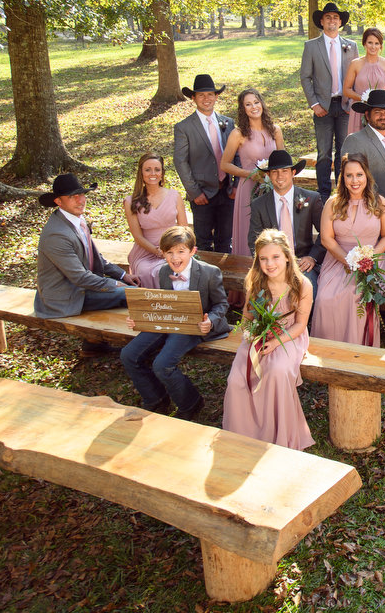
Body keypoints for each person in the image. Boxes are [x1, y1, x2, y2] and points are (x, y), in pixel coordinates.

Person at [120, 226, 230, 421]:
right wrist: (141, 319)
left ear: (192, 251)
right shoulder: (164, 271)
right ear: (163, 254)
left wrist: (210, 321)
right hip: (169, 321)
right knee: (129, 354)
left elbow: (222, 304)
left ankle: (191, 402)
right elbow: (163, 303)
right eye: (169, 252)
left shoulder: (210, 272)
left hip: (194, 326)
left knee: (162, 364)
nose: (175, 258)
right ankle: (155, 398)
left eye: (181, 251)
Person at [222, 229, 315, 450]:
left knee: (277, 372)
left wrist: (275, 341)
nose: (269, 264)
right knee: (237, 379)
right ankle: (244, 433)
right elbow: (247, 317)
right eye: (263, 259)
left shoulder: (302, 284)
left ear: (287, 256)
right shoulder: (256, 282)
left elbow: (300, 324)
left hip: (289, 336)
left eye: (275, 257)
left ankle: (278, 434)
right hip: (259, 334)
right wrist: (251, 333)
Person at [311, 154, 385, 348]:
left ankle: (358, 351)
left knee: (356, 295)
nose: (354, 180)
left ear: (367, 175)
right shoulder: (333, 203)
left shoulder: (379, 202)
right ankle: (329, 352)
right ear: (343, 177)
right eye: (349, 175)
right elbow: (326, 239)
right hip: (338, 260)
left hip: (371, 262)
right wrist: (349, 261)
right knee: (325, 298)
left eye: (359, 174)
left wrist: (370, 258)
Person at [35, 174, 137, 330]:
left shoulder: (77, 219)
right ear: (58, 201)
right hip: (65, 297)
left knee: (134, 287)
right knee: (133, 295)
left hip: (81, 286)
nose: (80, 200)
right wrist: (115, 284)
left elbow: (95, 257)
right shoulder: (56, 234)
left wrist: (123, 275)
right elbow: (80, 277)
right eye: (72, 197)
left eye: (81, 194)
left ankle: (94, 343)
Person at [300, 2, 359, 199]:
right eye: (328, 17)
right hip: (322, 107)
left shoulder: (351, 46)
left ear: (340, 22)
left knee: (344, 152)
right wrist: (314, 104)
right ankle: (324, 195)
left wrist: (352, 103)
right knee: (324, 153)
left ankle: (343, 193)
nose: (332, 20)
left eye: (335, 17)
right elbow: (305, 77)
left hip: (345, 106)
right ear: (322, 22)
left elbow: (356, 76)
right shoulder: (311, 46)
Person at [246, 150, 325, 296]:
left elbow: (326, 233)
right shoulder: (259, 204)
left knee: (310, 291)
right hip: (272, 265)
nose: (280, 176)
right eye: (274, 172)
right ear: (268, 175)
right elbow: (254, 240)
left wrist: (312, 257)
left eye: (284, 171)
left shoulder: (311, 199)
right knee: (264, 294)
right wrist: (268, 263)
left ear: (293, 173)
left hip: (303, 262)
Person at [172, 74, 236, 253]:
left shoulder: (228, 122)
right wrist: (194, 192)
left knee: (225, 240)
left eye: (210, 94)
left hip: (227, 191)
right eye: (201, 95)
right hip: (202, 194)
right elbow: (180, 161)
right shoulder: (184, 127)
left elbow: (236, 154)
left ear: (216, 96)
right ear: (193, 98)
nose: (206, 99)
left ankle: (223, 271)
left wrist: (236, 185)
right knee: (203, 241)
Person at [221, 88, 284, 257]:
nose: (254, 107)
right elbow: (225, 164)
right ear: (243, 109)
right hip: (248, 188)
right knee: (250, 231)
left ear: (262, 103)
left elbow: (283, 161)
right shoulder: (238, 134)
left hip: (273, 187)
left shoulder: (275, 130)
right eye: (248, 104)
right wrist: (250, 174)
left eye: (256, 102)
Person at [122, 153, 188, 288]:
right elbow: (138, 237)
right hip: (145, 252)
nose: (153, 173)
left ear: (162, 173)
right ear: (141, 173)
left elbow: (184, 230)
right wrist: (157, 251)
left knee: (170, 270)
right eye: (148, 170)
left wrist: (173, 251)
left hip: (173, 248)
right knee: (146, 271)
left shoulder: (175, 196)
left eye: (157, 169)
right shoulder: (130, 201)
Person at [341, 88, 385, 223]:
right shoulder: (355, 140)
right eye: (377, 112)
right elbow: (349, 179)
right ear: (367, 115)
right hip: (370, 213)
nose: (383, 116)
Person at [343, 27, 385, 134]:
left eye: (377, 43)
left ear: (381, 46)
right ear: (364, 43)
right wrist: (363, 99)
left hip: (382, 112)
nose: (373, 47)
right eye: (370, 43)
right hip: (360, 112)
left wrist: (380, 99)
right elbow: (347, 90)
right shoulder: (355, 64)